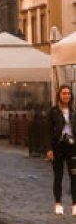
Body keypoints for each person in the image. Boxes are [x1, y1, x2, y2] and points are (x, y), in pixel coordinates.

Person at [47, 84, 76, 216]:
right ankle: (58, 203)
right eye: (64, 93)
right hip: (58, 146)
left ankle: (75, 204)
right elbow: (47, 131)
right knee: (58, 176)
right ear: (59, 95)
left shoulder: (74, 111)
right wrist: (49, 149)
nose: (66, 95)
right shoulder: (53, 111)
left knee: (74, 176)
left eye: (68, 93)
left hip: (72, 147)